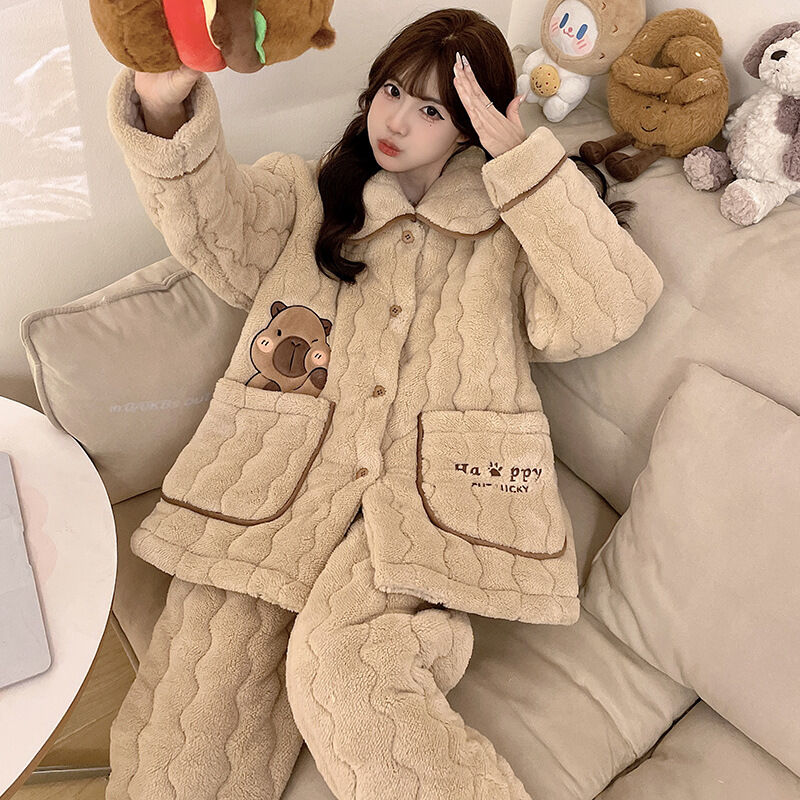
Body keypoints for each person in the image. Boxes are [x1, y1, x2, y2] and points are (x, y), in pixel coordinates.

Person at [105, 8, 663, 800]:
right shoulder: (307, 195)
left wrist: (523, 161)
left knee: (346, 663)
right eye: (394, 91)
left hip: (433, 504)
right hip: (277, 482)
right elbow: (213, 231)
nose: (396, 121)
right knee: (197, 703)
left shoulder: (512, 234)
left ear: (468, 127)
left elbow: (614, 306)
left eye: (431, 109)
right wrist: (163, 108)